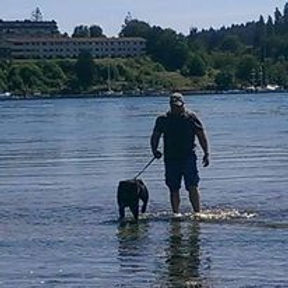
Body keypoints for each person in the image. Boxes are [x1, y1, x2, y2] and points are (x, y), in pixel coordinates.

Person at [150, 92, 209, 214]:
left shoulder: (191, 117)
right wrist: (154, 150)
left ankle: (197, 212)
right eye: (174, 106)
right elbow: (155, 136)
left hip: (188, 156)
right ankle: (176, 213)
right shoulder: (163, 119)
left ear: (183, 104)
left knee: (192, 185)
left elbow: (201, 135)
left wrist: (206, 152)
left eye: (178, 105)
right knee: (173, 187)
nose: (176, 108)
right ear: (170, 105)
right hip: (171, 158)